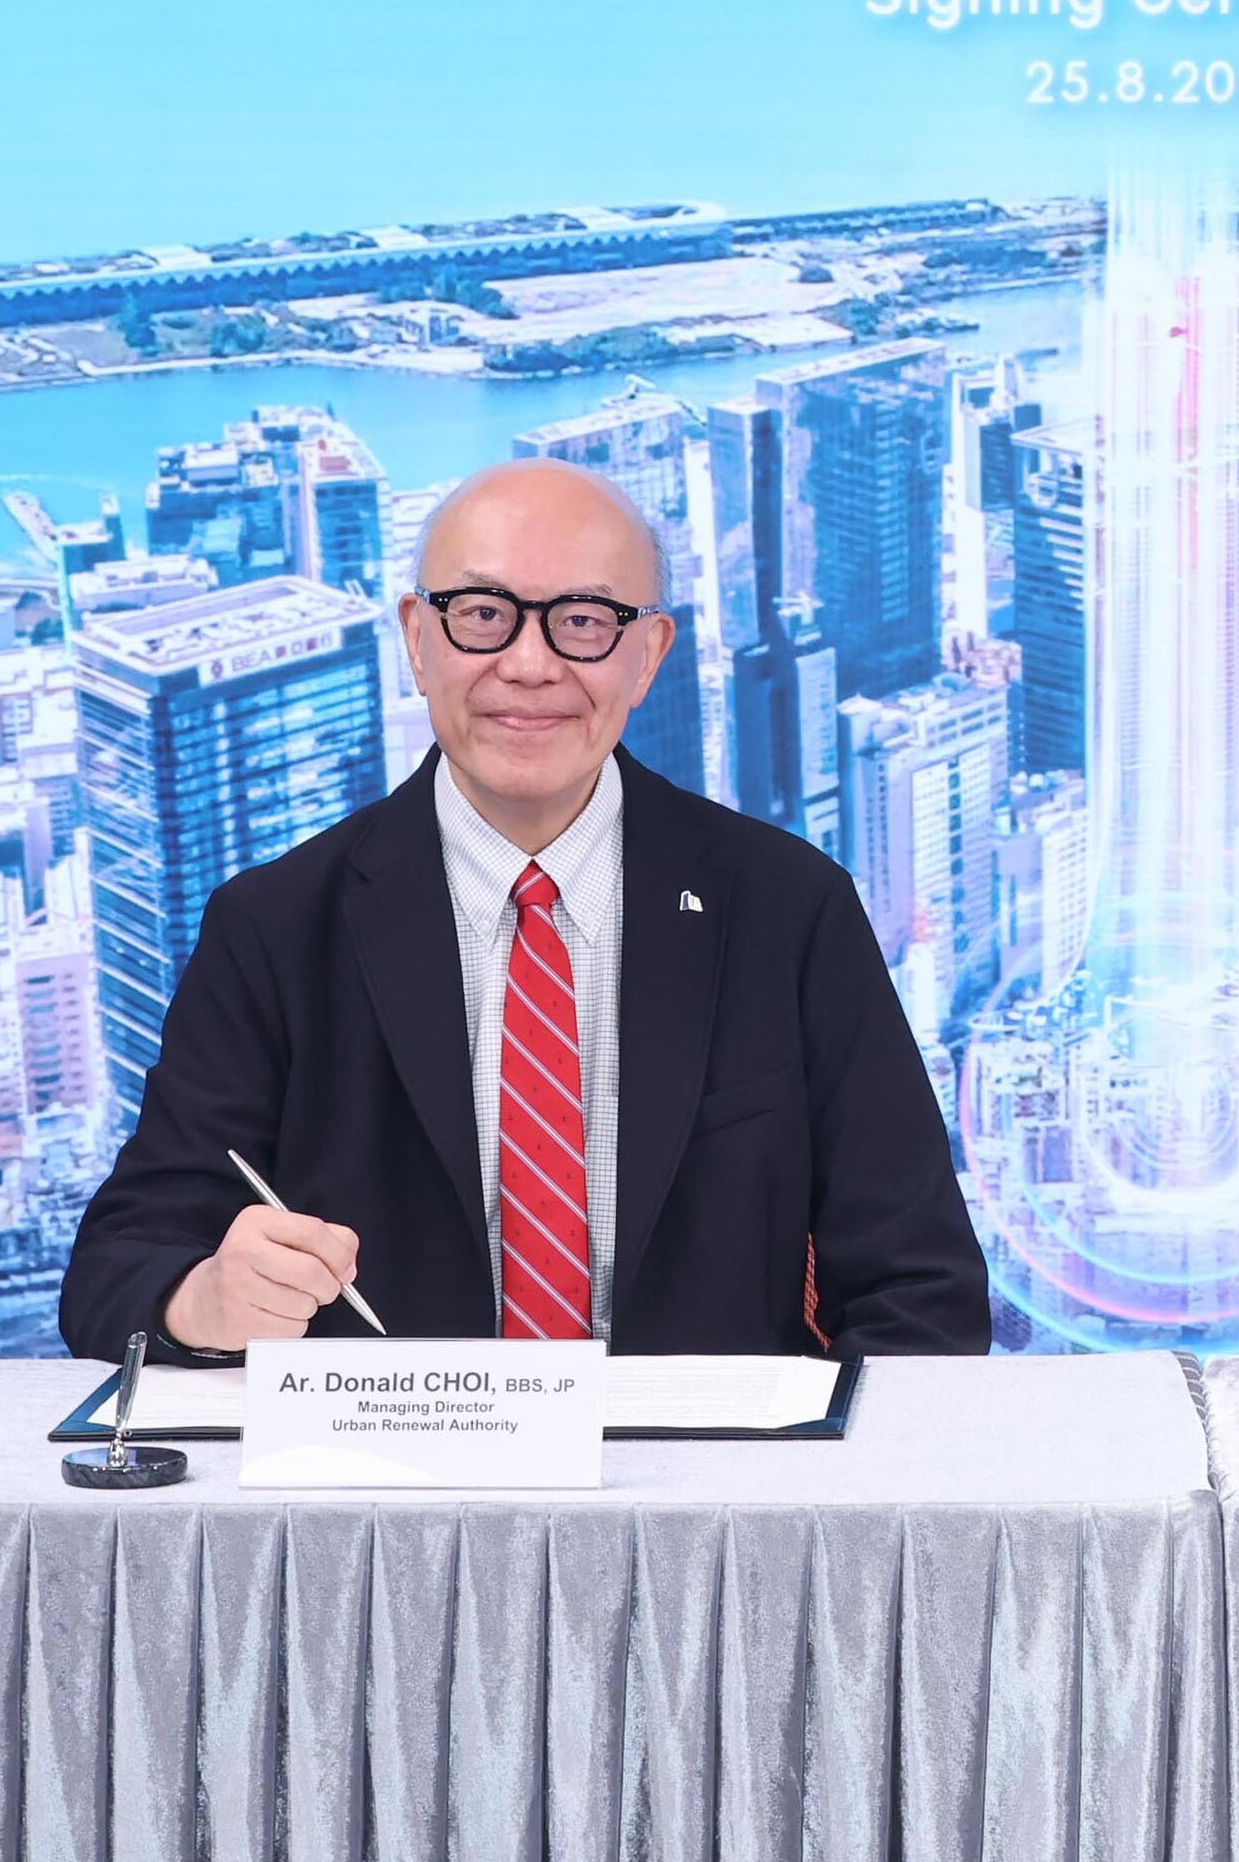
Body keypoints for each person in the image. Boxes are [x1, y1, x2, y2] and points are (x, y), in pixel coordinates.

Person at [60, 458, 991, 1361]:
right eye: (482, 615)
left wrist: (823, 1468)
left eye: (583, 621)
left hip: (711, 1464)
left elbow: (921, 1292)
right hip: (386, 1462)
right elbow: (118, 1266)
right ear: (416, 639)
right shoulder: (274, 927)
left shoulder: (788, 909)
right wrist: (203, 1301)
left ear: (648, 656)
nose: (530, 664)